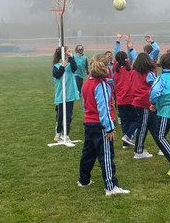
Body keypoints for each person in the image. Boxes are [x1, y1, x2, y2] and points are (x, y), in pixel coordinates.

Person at [78, 54, 130, 195]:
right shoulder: (102, 85)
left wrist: (88, 117)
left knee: (88, 153)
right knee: (106, 155)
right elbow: (104, 109)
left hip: (89, 123)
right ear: (106, 68)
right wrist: (109, 128)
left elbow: (84, 105)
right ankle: (110, 186)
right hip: (100, 126)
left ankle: (84, 180)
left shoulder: (86, 83)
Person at [131, 52, 159, 159]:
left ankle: (162, 147)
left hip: (137, 101)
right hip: (145, 103)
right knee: (143, 127)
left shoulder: (134, 72)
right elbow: (155, 86)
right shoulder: (148, 74)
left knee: (154, 125)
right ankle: (138, 151)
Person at [52, 46, 79, 143]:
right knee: (60, 116)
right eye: (68, 51)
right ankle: (58, 134)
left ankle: (66, 134)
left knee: (68, 116)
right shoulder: (56, 66)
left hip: (70, 94)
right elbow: (57, 75)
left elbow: (75, 68)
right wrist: (62, 66)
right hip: (61, 95)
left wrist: (71, 58)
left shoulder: (70, 63)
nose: (70, 52)